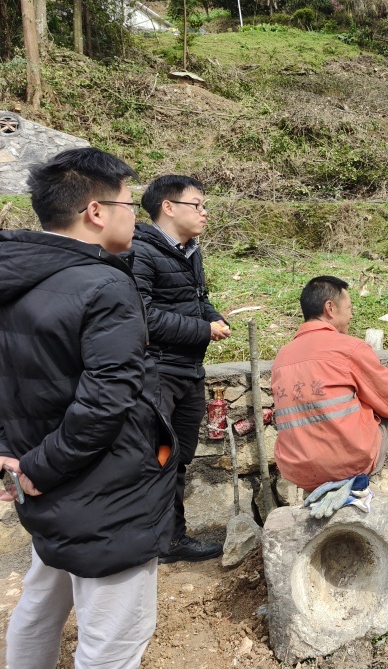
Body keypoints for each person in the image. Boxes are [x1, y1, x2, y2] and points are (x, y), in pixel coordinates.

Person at [0, 148, 176, 669]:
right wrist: (38, 468)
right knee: (113, 642)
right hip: (104, 493)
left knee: (39, 607)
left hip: (45, 490)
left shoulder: (13, 275)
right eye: (129, 205)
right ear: (96, 211)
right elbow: (106, 399)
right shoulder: (104, 283)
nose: (135, 219)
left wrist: (13, 457)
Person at [132, 175, 230, 563]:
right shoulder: (141, 251)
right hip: (157, 371)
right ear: (168, 207)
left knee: (179, 456)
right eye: (197, 205)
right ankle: (149, 542)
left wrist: (213, 317)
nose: (204, 212)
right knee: (157, 456)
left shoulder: (190, 252)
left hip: (189, 368)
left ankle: (171, 540)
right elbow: (142, 317)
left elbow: (198, 299)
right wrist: (202, 329)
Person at [271, 276, 388, 493]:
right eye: (349, 308)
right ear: (330, 308)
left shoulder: (282, 357)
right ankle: (360, 483)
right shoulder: (349, 348)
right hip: (346, 465)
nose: (351, 315)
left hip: (296, 470)